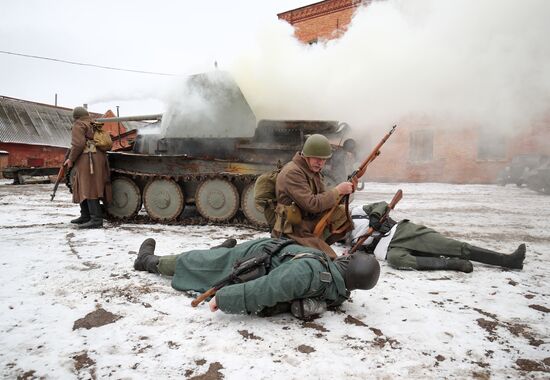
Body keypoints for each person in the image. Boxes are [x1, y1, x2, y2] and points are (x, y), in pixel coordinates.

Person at [133, 237, 380, 320]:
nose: (346, 253)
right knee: (221, 256)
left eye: (350, 256)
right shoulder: (339, 288)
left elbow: (269, 288)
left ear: (348, 263)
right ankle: (220, 250)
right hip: (270, 253)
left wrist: (226, 297)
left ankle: (148, 262)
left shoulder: (308, 272)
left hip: (257, 259)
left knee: (202, 263)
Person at [347, 202, 526, 272]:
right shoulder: (345, 237)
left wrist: (375, 218)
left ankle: (508, 260)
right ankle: (451, 264)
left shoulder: (357, 211)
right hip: (386, 250)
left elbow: (382, 205)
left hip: (400, 231)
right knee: (397, 260)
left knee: (452, 246)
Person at [272, 134, 355, 259]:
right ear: (306, 156)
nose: (320, 163)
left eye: (324, 159)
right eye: (317, 158)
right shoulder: (293, 172)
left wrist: (345, 191)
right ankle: (314, 245)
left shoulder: (311, 170)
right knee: (330, 259)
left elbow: (323, 197)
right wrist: (338, 190)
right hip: (294, 229)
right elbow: (312, 204)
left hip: (308, 220)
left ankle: (319, 242)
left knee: (343, 213)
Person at [64, 106, 112, 229]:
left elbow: (78, 144)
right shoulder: (93, 123)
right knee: (83, 185)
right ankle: (85, 215)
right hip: (97, 157)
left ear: (76, 117)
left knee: (89, 187)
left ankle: (96, 219)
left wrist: (71, 159)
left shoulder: (79, 124)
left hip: (88, 159)